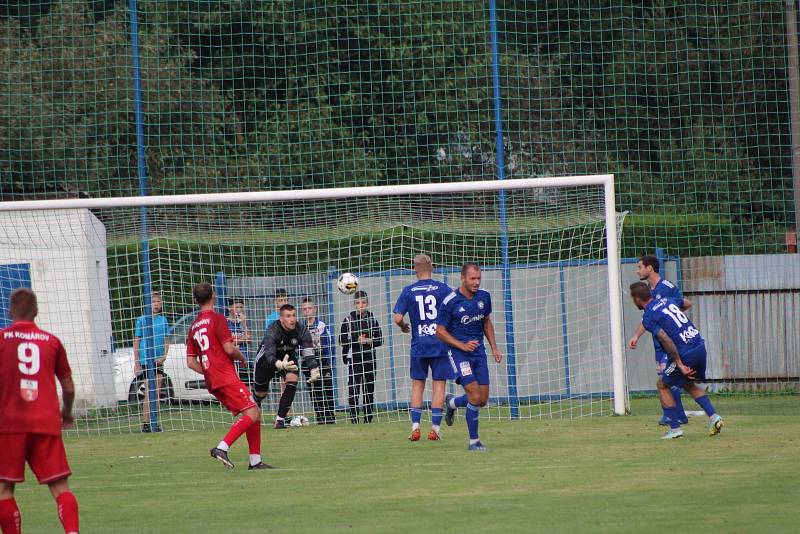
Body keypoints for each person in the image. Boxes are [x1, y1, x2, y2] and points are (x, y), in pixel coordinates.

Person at [0, 288, 80, 534]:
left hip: (9, 425)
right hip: (46, 422)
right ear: (36, 311)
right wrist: (66, 412)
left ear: (10, 311)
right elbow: (67, 387)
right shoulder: (52, 341)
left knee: (4, 489)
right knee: (60, 487)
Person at [185, 283, 271, 470]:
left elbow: (191, 362)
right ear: (214, 296)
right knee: (253, 412)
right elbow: (229, 349)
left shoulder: (193, 327)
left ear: (195, 301)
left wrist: (208, 372)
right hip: (225, 375)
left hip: (212, 380)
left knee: (254, 410)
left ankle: (255, 461)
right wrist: (241, 358)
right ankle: (221, 447)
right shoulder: (217, 319)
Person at [630, 282, 724, 439]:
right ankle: (714, 417)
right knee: (687, 384)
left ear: (638, 299)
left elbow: (666, 340)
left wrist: (679, 364)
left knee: (662, 385)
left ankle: (675, 429)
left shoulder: (648, 317)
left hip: (685, 352)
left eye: (633, 299)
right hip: (699, 345)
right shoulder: (667, 300)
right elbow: (687, 303)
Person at [436, 262, 502, 451]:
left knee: (481, 400)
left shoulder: (484, 297)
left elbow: (486, 322)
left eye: (479, 278)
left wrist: (494, 348)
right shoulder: (450, 301)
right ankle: (474, 442)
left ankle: (452, 402)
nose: (476, 282)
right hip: (458, 354)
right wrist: (462, 345)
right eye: (472, 278)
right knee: (473, 393)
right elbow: (439, 331)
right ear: (462, 278)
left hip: (479, 353)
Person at [392, 254, 452, 441]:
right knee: (439, 385)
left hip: (419, 344)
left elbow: (398, 318)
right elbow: (454, 309)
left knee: (418, 385)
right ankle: (434, 429)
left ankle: (415, 426)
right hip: (439, 342)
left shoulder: (409, 291)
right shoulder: (443, 289)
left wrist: (403, 327)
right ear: (432, 267)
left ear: (414, 269)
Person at [627, 255, 690, 426]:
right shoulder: (647, 290)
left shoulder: (668, 288)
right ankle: (674, 414)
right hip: (658, 343)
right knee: (665, 377)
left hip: (670, 341)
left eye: (640, 267)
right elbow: (647, 319)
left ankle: (675, 415)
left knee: (668, 378)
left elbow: (680, 308)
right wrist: (636, 336)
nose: (637, 270)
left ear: (650, 268)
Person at [252, 304, 321, 429]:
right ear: (281, 319)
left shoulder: (302, 330)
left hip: (288, 356)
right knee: (260, 394)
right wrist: (279, 364)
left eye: (294, 315)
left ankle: (280, 420)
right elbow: (269, 353)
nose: (292, 319)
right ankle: (252, 411)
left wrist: (314, 369)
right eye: (288, 316)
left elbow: (308, 351)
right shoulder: (273, 330)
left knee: (292, 379)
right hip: (266, 360)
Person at [339, 290, 383, 424]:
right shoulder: (348, 320)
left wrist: (369, 341)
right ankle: (353, 418)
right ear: (354, 304)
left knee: (368, 389)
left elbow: (380, 340)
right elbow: (341, 340)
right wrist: (355, 340)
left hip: (369, 358)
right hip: (355, 358)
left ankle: (368, 418)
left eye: (363, 302)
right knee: (353, 388)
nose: (361, 305)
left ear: (367, 303)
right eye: (358, 303)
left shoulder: (372, 319)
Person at [133, 291, 170, 433]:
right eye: (154, 302)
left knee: (157, 392)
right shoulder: (142, 320)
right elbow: (136, 341)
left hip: (158, 360)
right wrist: (136, 363)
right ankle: (146, 423)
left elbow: (167, 340)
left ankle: (155, 422)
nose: (156, 304)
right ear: (148, 304)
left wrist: (164, 356)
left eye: (158, 302)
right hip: (145, 360)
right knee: (149, 391)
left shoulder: (163, 320)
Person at [300, 297, 337, 424]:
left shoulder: (321, 325)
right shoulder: (301, 328)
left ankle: (330, 417)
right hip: (308, 362)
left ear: (315, 309)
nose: (307, 311)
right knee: (314, 390)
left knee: (327, 388)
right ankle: (320, 418)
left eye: (309, 308)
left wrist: (329, 361)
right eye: (305, 309)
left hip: (322, 360)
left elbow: (329, 343)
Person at [227, 298, 253, 385]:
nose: (239, 310)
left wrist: (243, 323)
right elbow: (228, 344)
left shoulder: (242, 323)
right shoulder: (226, 323)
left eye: (241, 307)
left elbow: (249, 340)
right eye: (237, 307)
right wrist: (242, 339)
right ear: (230, 308)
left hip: (245, 360)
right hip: (232, 362)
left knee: (248, 387)